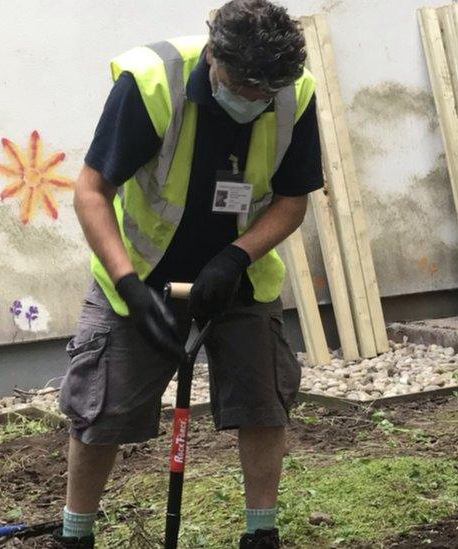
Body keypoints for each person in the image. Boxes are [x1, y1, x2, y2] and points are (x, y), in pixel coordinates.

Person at [53, 1, 321, 547]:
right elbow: (90, 192)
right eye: (245, 89)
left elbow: (293, 202)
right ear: (216, 61)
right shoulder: (152, 82)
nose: (254, 102)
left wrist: (235, 256)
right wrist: (128, 283)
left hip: (239, 279)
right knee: (102, 409)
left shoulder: (292, 91)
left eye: (264, 95)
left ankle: (261, 534)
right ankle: (75, 534)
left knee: (263, 402)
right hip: (142, 277)